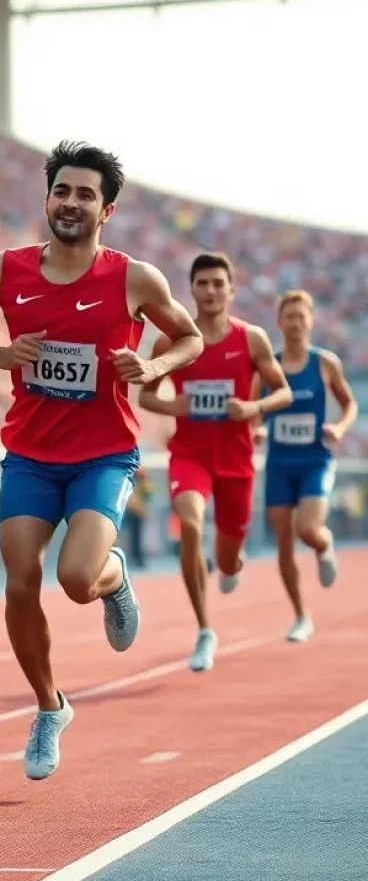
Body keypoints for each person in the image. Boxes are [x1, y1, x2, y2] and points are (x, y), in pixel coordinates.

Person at [0, 140, 203, 781]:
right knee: (18, 581)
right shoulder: (5, 271)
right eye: (61, 190)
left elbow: (189, 337)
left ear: (106, 209)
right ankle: (48, 707)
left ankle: (112, 578)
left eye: (84, 194)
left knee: (76, 577)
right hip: (29, 455)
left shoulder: (132, 278)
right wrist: (1, 356)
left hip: (103, 455)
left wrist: (151, 366)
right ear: (47, 198)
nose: (70, 202)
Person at [138, 252, 292, 672]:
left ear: (231, 289)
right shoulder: (172, 340)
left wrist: (251, 407)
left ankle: (229, 564)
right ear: (192, 289)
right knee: (189, 525)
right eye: (202, 283)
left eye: (217, 283)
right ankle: (205, 628)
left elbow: (284, 393)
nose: (209, 290)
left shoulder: (252, 339)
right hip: (190, 457)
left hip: (236, 462)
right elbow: (147, 395)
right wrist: (177, 406)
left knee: (227, 559)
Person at [255, 290, 357, 642]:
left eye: (303, 316)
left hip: (315, 460)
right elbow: (254, 408)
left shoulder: (325, 362)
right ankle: (301, 615)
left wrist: (340, 428)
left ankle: (324, 545)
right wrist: (255, 428)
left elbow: (349, 404)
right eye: (290, 317)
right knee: (283, 539)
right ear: (280, 323)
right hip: (280, 463)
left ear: (311, 321)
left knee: (308, 530)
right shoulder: (270, 365)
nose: (296, 323)